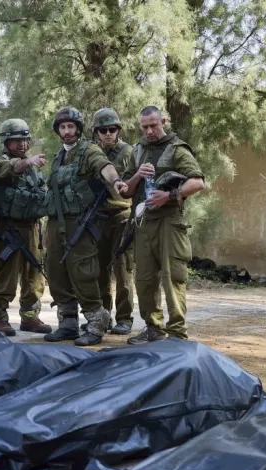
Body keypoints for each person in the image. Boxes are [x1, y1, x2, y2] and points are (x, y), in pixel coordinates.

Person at [42, 106, 129, 347]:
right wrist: (47, 231)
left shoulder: (89, 150)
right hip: (56, 222)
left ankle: (96, 321)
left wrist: (117, 181)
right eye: (63, 127)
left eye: (71, 127)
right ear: (58, 131)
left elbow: (105, 166)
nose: (67, 131)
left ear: (78, 129)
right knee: (56, 272)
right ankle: (67, 323)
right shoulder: (58, 156)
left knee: (84, 273)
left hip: (80, 222)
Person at [122, 106, 205, 344]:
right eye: (145, 127)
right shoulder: (137, 150)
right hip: (143, 223)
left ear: (164, 121)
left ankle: (177, 333)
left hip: (169, 221)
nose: (149, 131)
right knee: (144, 279)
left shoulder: (176, 149)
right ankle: (153, 328)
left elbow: (198, 183)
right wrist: (137, 175)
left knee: (172, 276)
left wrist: (168, 197)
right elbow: (126, 190)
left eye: (153, 125)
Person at [0, 118, 52, 336]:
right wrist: (27, 162)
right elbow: (5, 169)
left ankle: (30, 317)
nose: (22, 144)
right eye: (16, 140)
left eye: (25, 140)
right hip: (8, 229)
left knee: (34, 275)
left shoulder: (32, 166)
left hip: (32, 227)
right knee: (7, 276)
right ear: (6, 142)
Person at [89, 107, 137, 336]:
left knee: (122, 270)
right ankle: (102, 316)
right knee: (98, 270)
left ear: (118, 130)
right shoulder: (90, 153)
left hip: (122, 217)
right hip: (97, 219)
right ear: (96, 132)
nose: (108, 134)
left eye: (112, 129)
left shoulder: (129, 152)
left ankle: (124, 318)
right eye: (103, 130)